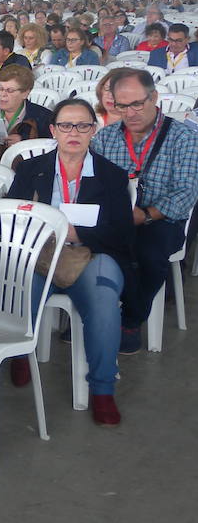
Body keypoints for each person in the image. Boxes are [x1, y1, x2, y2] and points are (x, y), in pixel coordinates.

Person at [6, 100, 132, 425]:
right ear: (53, 130)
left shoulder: (112, 176)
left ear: (94, 130)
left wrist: (75, 231)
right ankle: (21, 351)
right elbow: (11, 217)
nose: (73, 133)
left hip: (92, 253)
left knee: (104, 301)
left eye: (82, 126)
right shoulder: (30, 169)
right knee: (19, 288)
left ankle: (102, 388)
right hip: (41, 252)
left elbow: (121, 235)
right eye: (65, 125)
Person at [93, 69, 198, 353]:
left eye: (137, 103)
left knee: (149, 255)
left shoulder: (183, 137)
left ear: (154, 97)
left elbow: (187, 191)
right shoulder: (105, 138)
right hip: (117, 217)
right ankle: (90, 312)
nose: (131, 112)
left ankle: (131, 318)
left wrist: (146, 214)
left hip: (160, 220)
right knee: (84, 248)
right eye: (122, 106)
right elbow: (93, 183)